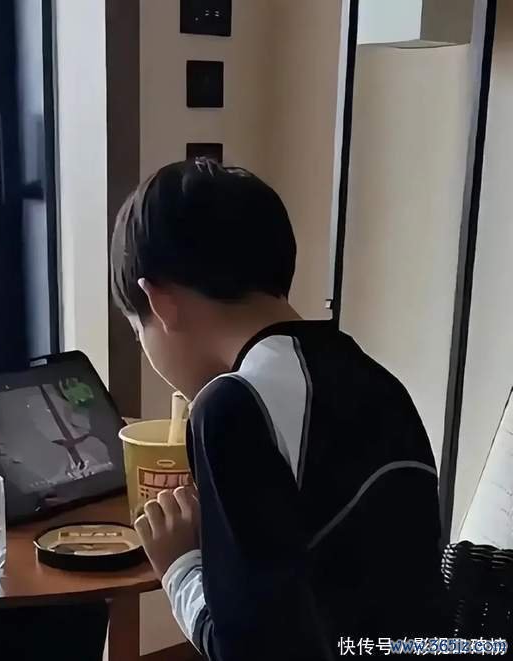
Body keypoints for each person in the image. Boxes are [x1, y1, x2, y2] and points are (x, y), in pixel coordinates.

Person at [111, 159, 446, 660]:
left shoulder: (231, 406)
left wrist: (178, 564)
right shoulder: (379, 381)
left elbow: (247, 649)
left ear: (160, 302)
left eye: (138, 330)